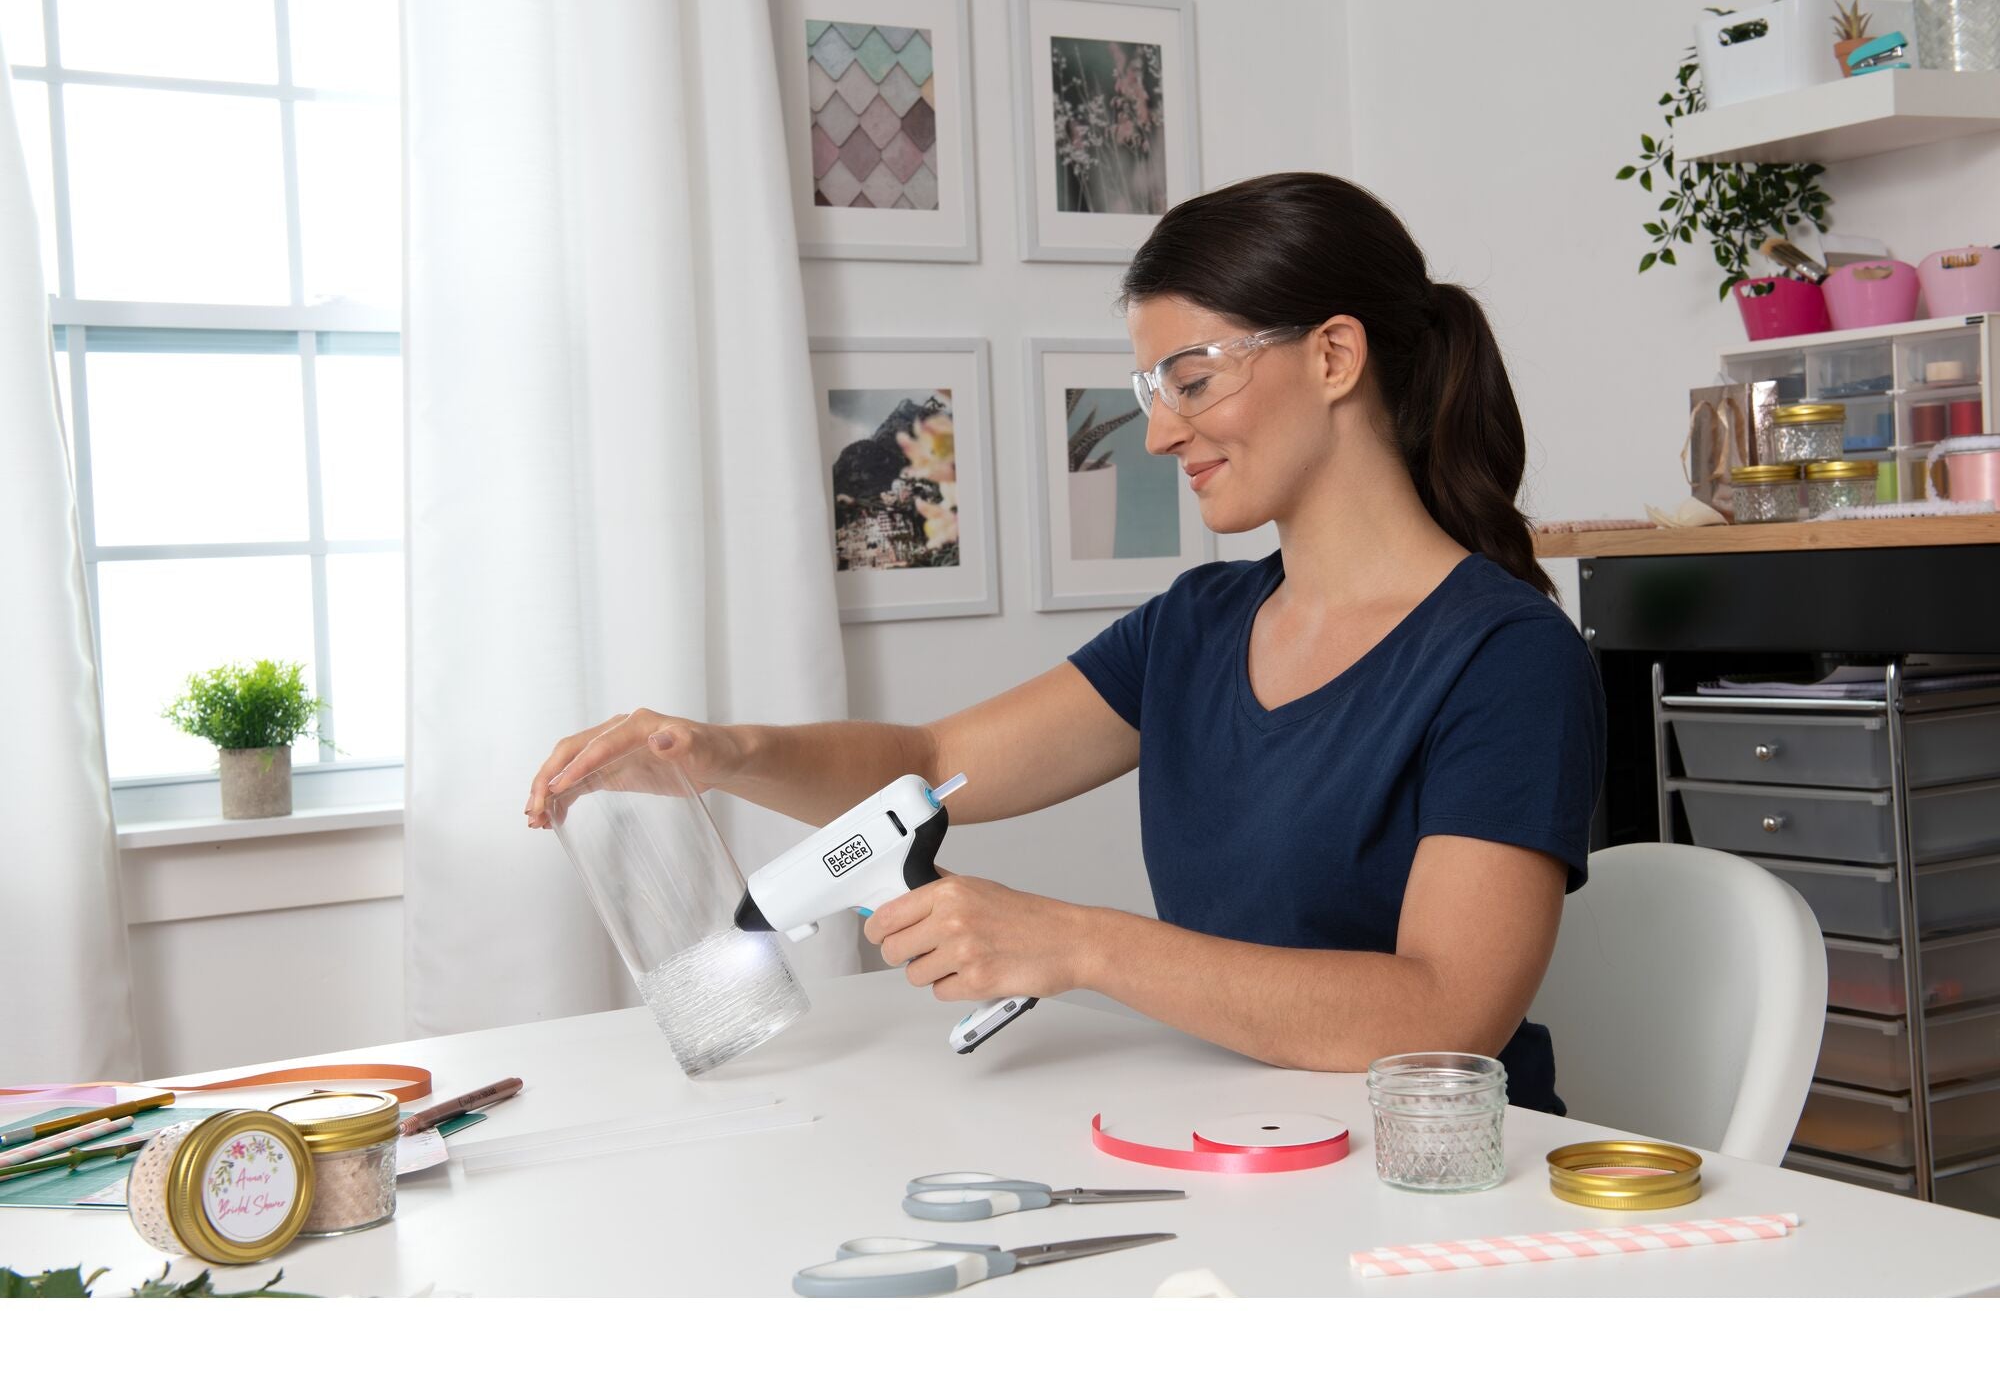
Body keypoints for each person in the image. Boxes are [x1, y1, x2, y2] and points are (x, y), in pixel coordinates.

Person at [526, 172, 1605, 1110]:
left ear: (1331, 356)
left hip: (1439, 1171)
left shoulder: (1504, 657)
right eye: (1152, 390)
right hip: (1239, 1132)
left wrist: (1079, 944)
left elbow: (1442, 1012)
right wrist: (724, 753)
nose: (1159, 429)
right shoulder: (1196, 627)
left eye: (1190, 378)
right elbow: (923, 763)